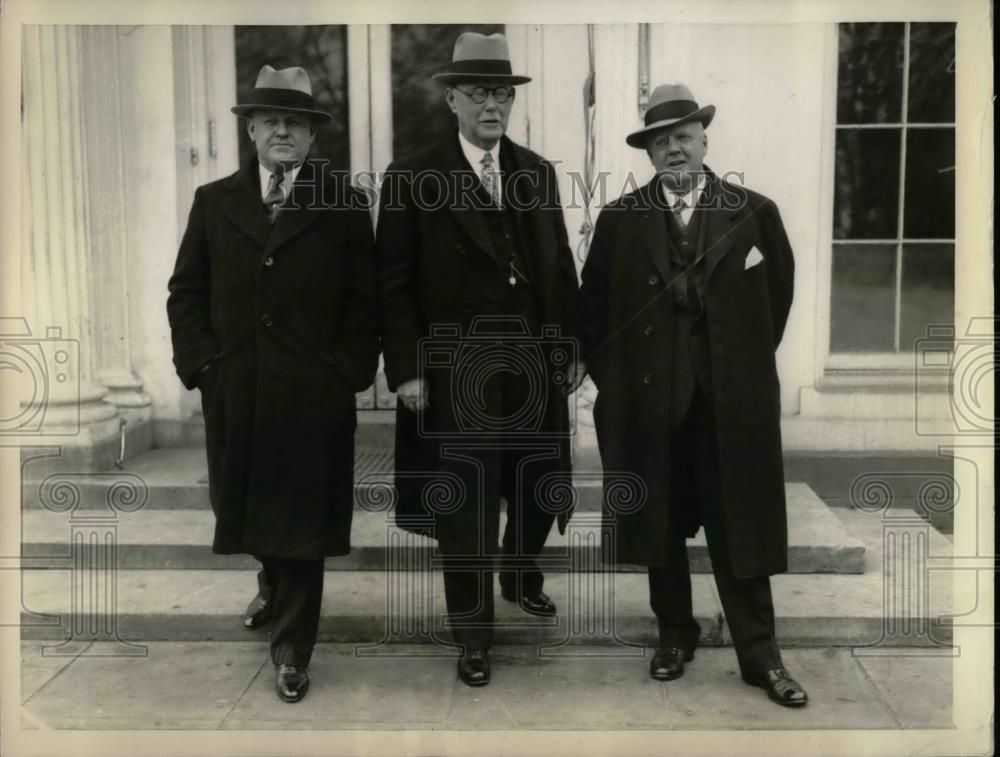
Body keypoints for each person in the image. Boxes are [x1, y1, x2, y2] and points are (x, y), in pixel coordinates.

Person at [579, 83, 808, 707]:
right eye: (660, 141)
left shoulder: (753, 210)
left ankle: (760, 657)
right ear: (648, 152)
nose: (673, 149)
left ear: (705, 139)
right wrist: (619, 384)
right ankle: (673, 636)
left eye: (683, 136)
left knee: (742, 531)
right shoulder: (621, 220)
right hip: (651, 404)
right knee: (659, 525)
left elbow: (776, 301)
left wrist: (738, 366)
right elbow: (594, 311)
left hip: (730, 407)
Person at [376, 32, 583, 687]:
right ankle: (472, 634)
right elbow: (392, 282)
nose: (492, 105)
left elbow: (558, 268)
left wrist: (571, 345)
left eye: (501, 92)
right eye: (478, 93)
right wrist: (407, 368)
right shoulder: (413, 175)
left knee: (536, 485)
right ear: (451, 100)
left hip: (530, 363)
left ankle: (521, 572)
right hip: (454, 367)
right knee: (464, 505)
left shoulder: (536, 171)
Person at [167, 65, 378, 703]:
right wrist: (204, 367)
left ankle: (291, 649)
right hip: (237, 389)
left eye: (298, 123)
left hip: (312, 395)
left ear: (313, 137)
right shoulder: (215, 199)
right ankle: (270, 581)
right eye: (272, 121)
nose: (284, 131)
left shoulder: (344, 202)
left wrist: (347, 371)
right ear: (251, 129)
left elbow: (364, 300)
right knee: (250, 509)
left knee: (304, 521)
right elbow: (186, 293)